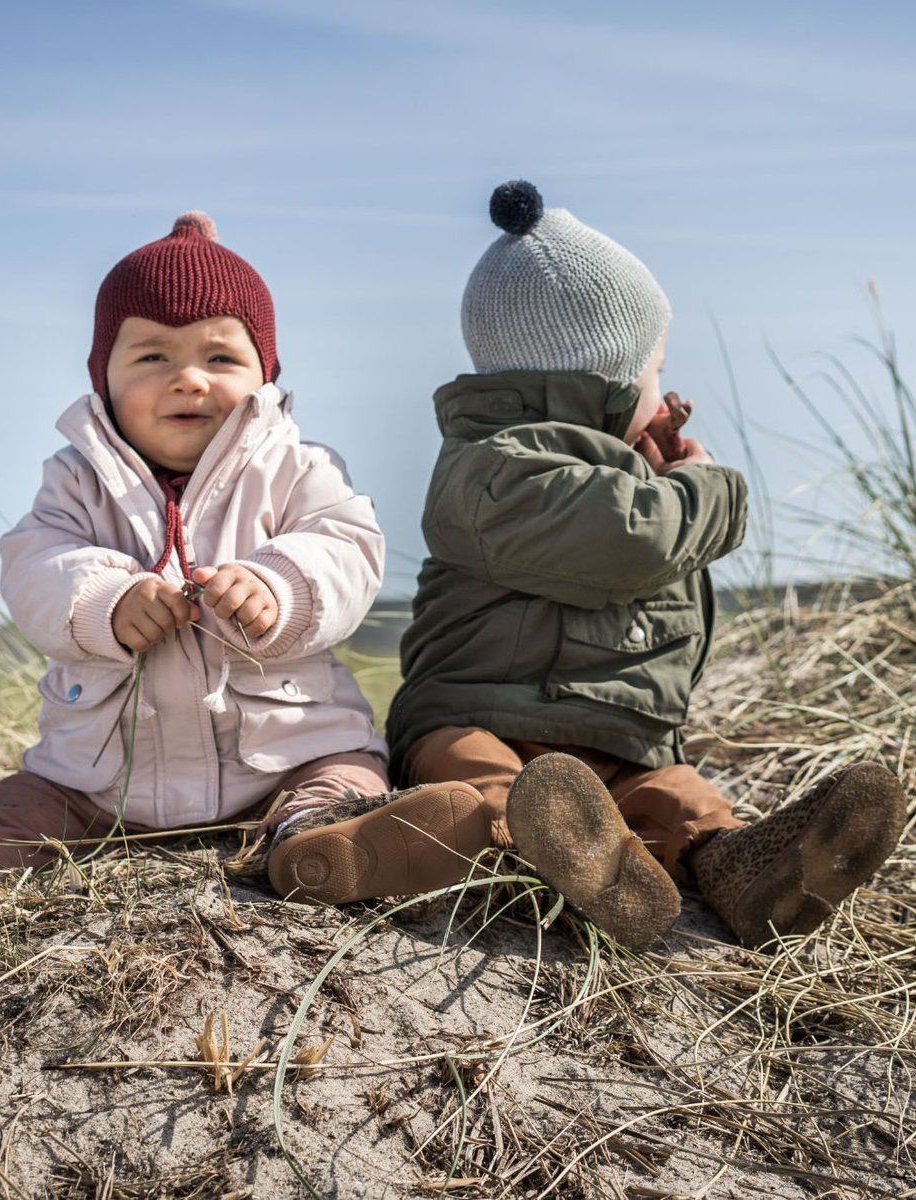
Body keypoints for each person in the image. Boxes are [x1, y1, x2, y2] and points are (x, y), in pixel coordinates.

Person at [0, 212, 493, 919]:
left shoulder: (297, 467)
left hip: (289, 750)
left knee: (343, 779)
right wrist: (106, 600)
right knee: (15, 812)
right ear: (105, 375)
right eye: (153, 354)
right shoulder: (75, 479)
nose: (188, 378)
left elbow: (347, 547)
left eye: (220, 356)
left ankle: (328, 848)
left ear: (265, 373)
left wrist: (278, 583)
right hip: (98, 780)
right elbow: (36, 566)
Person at [386, 180, 907, 949]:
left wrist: (647, 470)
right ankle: (511, 839)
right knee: (473, 772)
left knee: (675, 795)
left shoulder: (622, 476)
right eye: (655, 372)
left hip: (611, 744)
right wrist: (706, 490)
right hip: (477, 716)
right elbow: (636, 545)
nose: (666, 392)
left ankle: (736, 866)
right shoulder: (492, 467)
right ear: (607, 377)